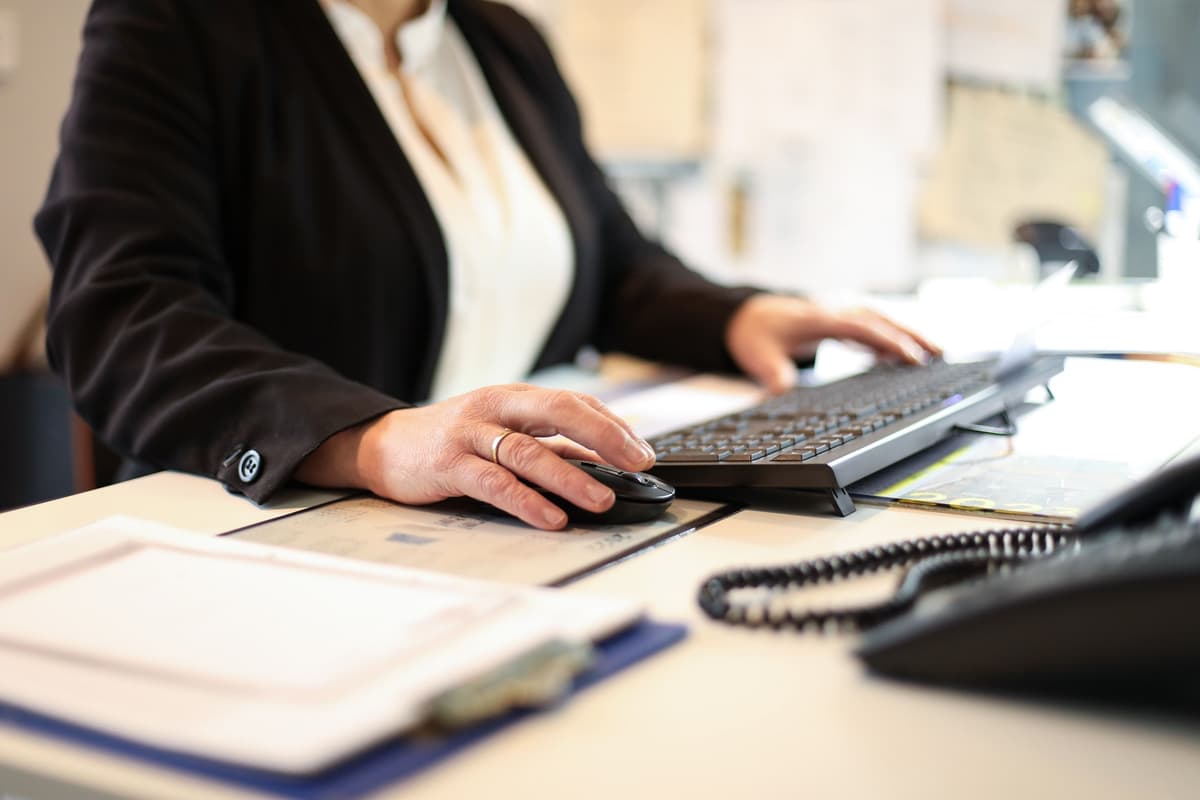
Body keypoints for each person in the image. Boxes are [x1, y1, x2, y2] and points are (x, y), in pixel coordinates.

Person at [36, 0, 938, 530]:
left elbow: (608, 263)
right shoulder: (177, 25)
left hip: (492, 534)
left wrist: (733, 316)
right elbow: (120, 313)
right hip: (280, 532)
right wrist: (373, 439)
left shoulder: (502, 41)